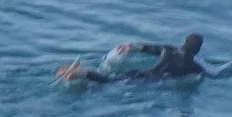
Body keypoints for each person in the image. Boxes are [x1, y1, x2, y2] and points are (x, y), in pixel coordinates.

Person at [58, 32, 205, 85]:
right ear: (197, 50)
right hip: (148, 81)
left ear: (183, 42)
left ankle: (81, 74)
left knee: (110, 78)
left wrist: (130, 47)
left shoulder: (168, 50)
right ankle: (80, 74)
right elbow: (210, 76)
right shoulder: (193, 67)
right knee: (109, 82)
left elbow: (148, 48)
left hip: (139, 72)